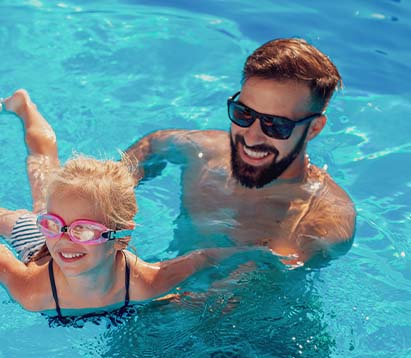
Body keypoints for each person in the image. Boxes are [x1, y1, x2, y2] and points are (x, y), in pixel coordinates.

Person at [0, 90, 261, 324]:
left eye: (85, 231)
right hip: (33, 236)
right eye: (64, 224)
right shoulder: (35, 291)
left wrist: (257, 257)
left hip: (50, 223)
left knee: (44, 168)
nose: (69, 241)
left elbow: (207, 258)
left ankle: (23, 104)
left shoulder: (148, 282)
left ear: (120, 239)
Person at [125, 38, 356, 266]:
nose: (251, 137)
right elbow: (152, 144)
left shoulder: (318, 221)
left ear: (313, 129)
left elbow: (245, 293)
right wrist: (119, 191)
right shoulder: (205, 152)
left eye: (275, 125)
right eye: (243, 114)